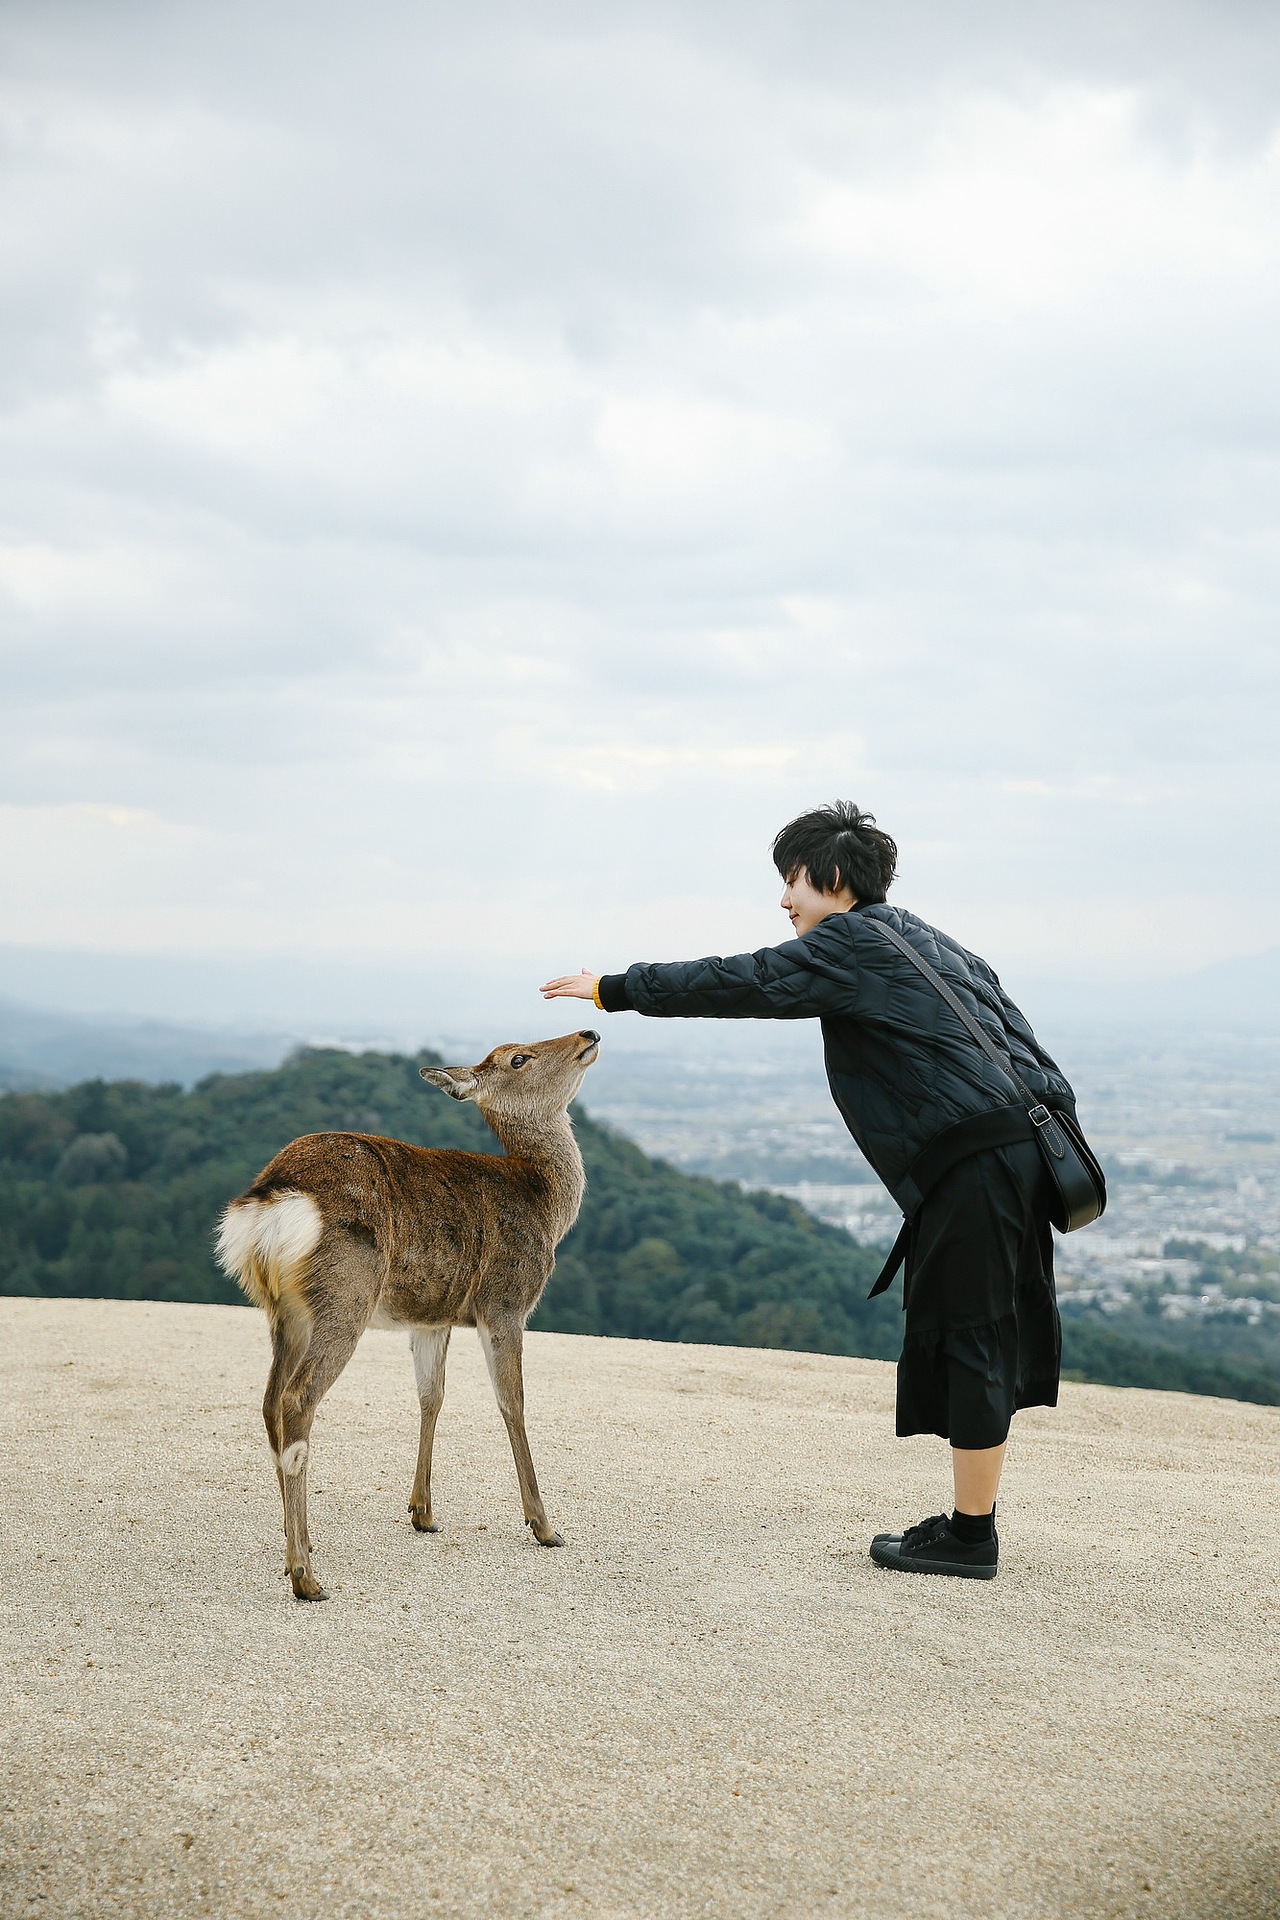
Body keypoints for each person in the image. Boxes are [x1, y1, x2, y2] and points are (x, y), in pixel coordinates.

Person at [541, 800, 1078, 1582]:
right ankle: (969, 1520)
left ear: (831, 878)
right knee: (982, 1326)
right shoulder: (923, 937)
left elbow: (741, 980)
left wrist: (614, 988)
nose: (784, 899)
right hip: (1018, 1150)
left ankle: (970, 1538)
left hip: (977, 1164)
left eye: (791, 880)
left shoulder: (849, 943)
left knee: (972, 1334)